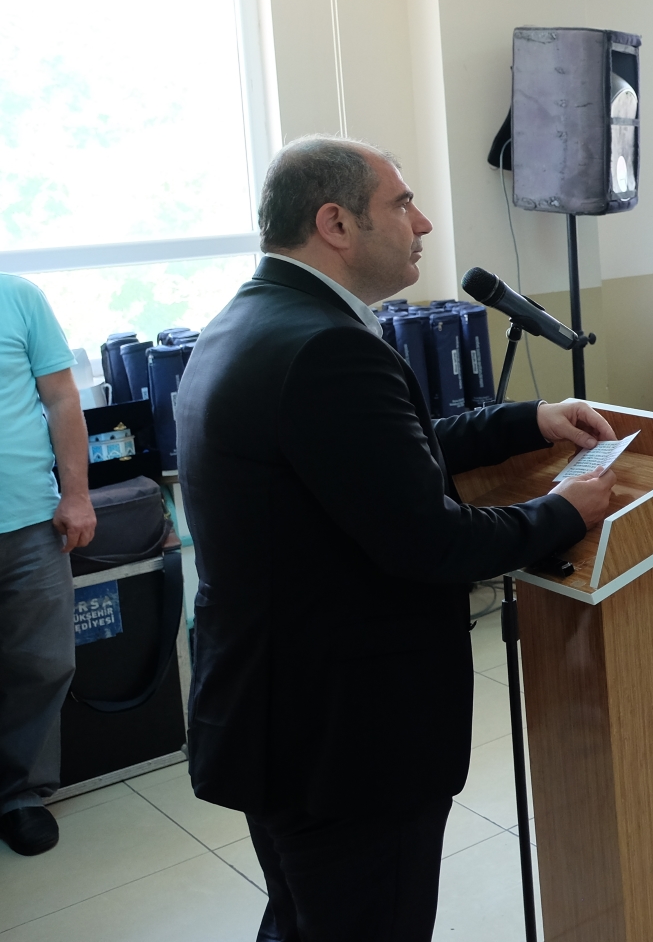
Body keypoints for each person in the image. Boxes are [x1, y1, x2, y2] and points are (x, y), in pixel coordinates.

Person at [174, 137, 619, 937]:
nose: (424, 223)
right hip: (347, 738)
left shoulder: (253, 319)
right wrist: (563, 512)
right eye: (402, 203)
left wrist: (526, 420)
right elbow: (429, 539)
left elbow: (375, 460)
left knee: (306, 919)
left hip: (277, 712)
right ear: (336, 223)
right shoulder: (327, 346)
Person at [0, 275, 91, 857]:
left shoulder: (18, 297)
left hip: (30, 518)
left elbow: (61, 398)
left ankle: (19, 794)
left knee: (43, 662)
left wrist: (76, 494)